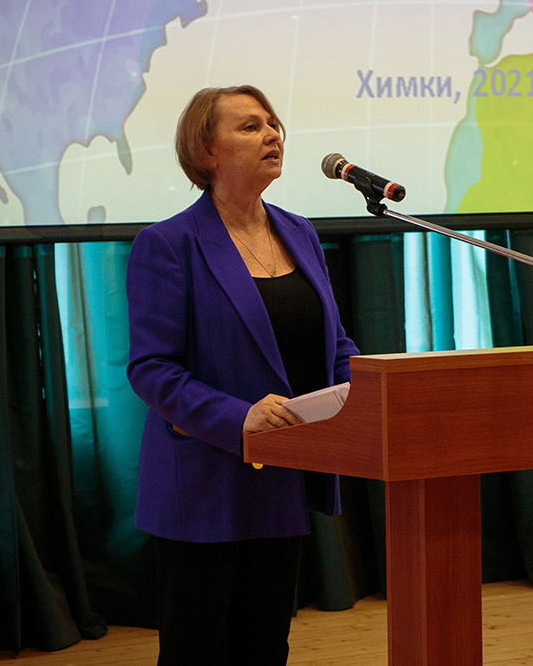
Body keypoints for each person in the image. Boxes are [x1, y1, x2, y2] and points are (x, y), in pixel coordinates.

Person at [125, 85, 359, 665]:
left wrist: (365, 390)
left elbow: (333, 343)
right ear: (206, 150)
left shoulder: (299, 232)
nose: (271, 135)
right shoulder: (168, 243)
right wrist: (240, 417)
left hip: (282, 475)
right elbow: (152, 369)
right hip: (205, 483)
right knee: (198, 651)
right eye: (250, 127)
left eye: (273, 124)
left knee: (264, 646)